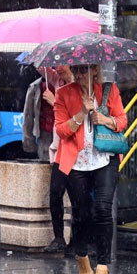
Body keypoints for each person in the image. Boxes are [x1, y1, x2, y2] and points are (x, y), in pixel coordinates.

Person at [53, 64, 127, 274]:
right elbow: (61, 130)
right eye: (75, 69)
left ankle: (103, 267)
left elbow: (122, 121)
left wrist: (103, 119)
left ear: (95, 69)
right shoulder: (63, 94)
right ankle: (82, 254)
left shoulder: (109, 90)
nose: (78, 74)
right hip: (77, 162)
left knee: (103, 209)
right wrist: (82, 114)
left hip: (105, 158)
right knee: (81, 213)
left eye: (84, 69)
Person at [43, 65, 75, 253]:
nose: (58, 68)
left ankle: (77, 242)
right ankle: (59, 238)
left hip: (75, 151)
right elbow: (41, 67)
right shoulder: (57, 82)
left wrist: (54, 100)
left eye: (62, 64)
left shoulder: (80, 87)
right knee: (55, 193)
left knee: (78, 198)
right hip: (59, 151)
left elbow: (75, 117)